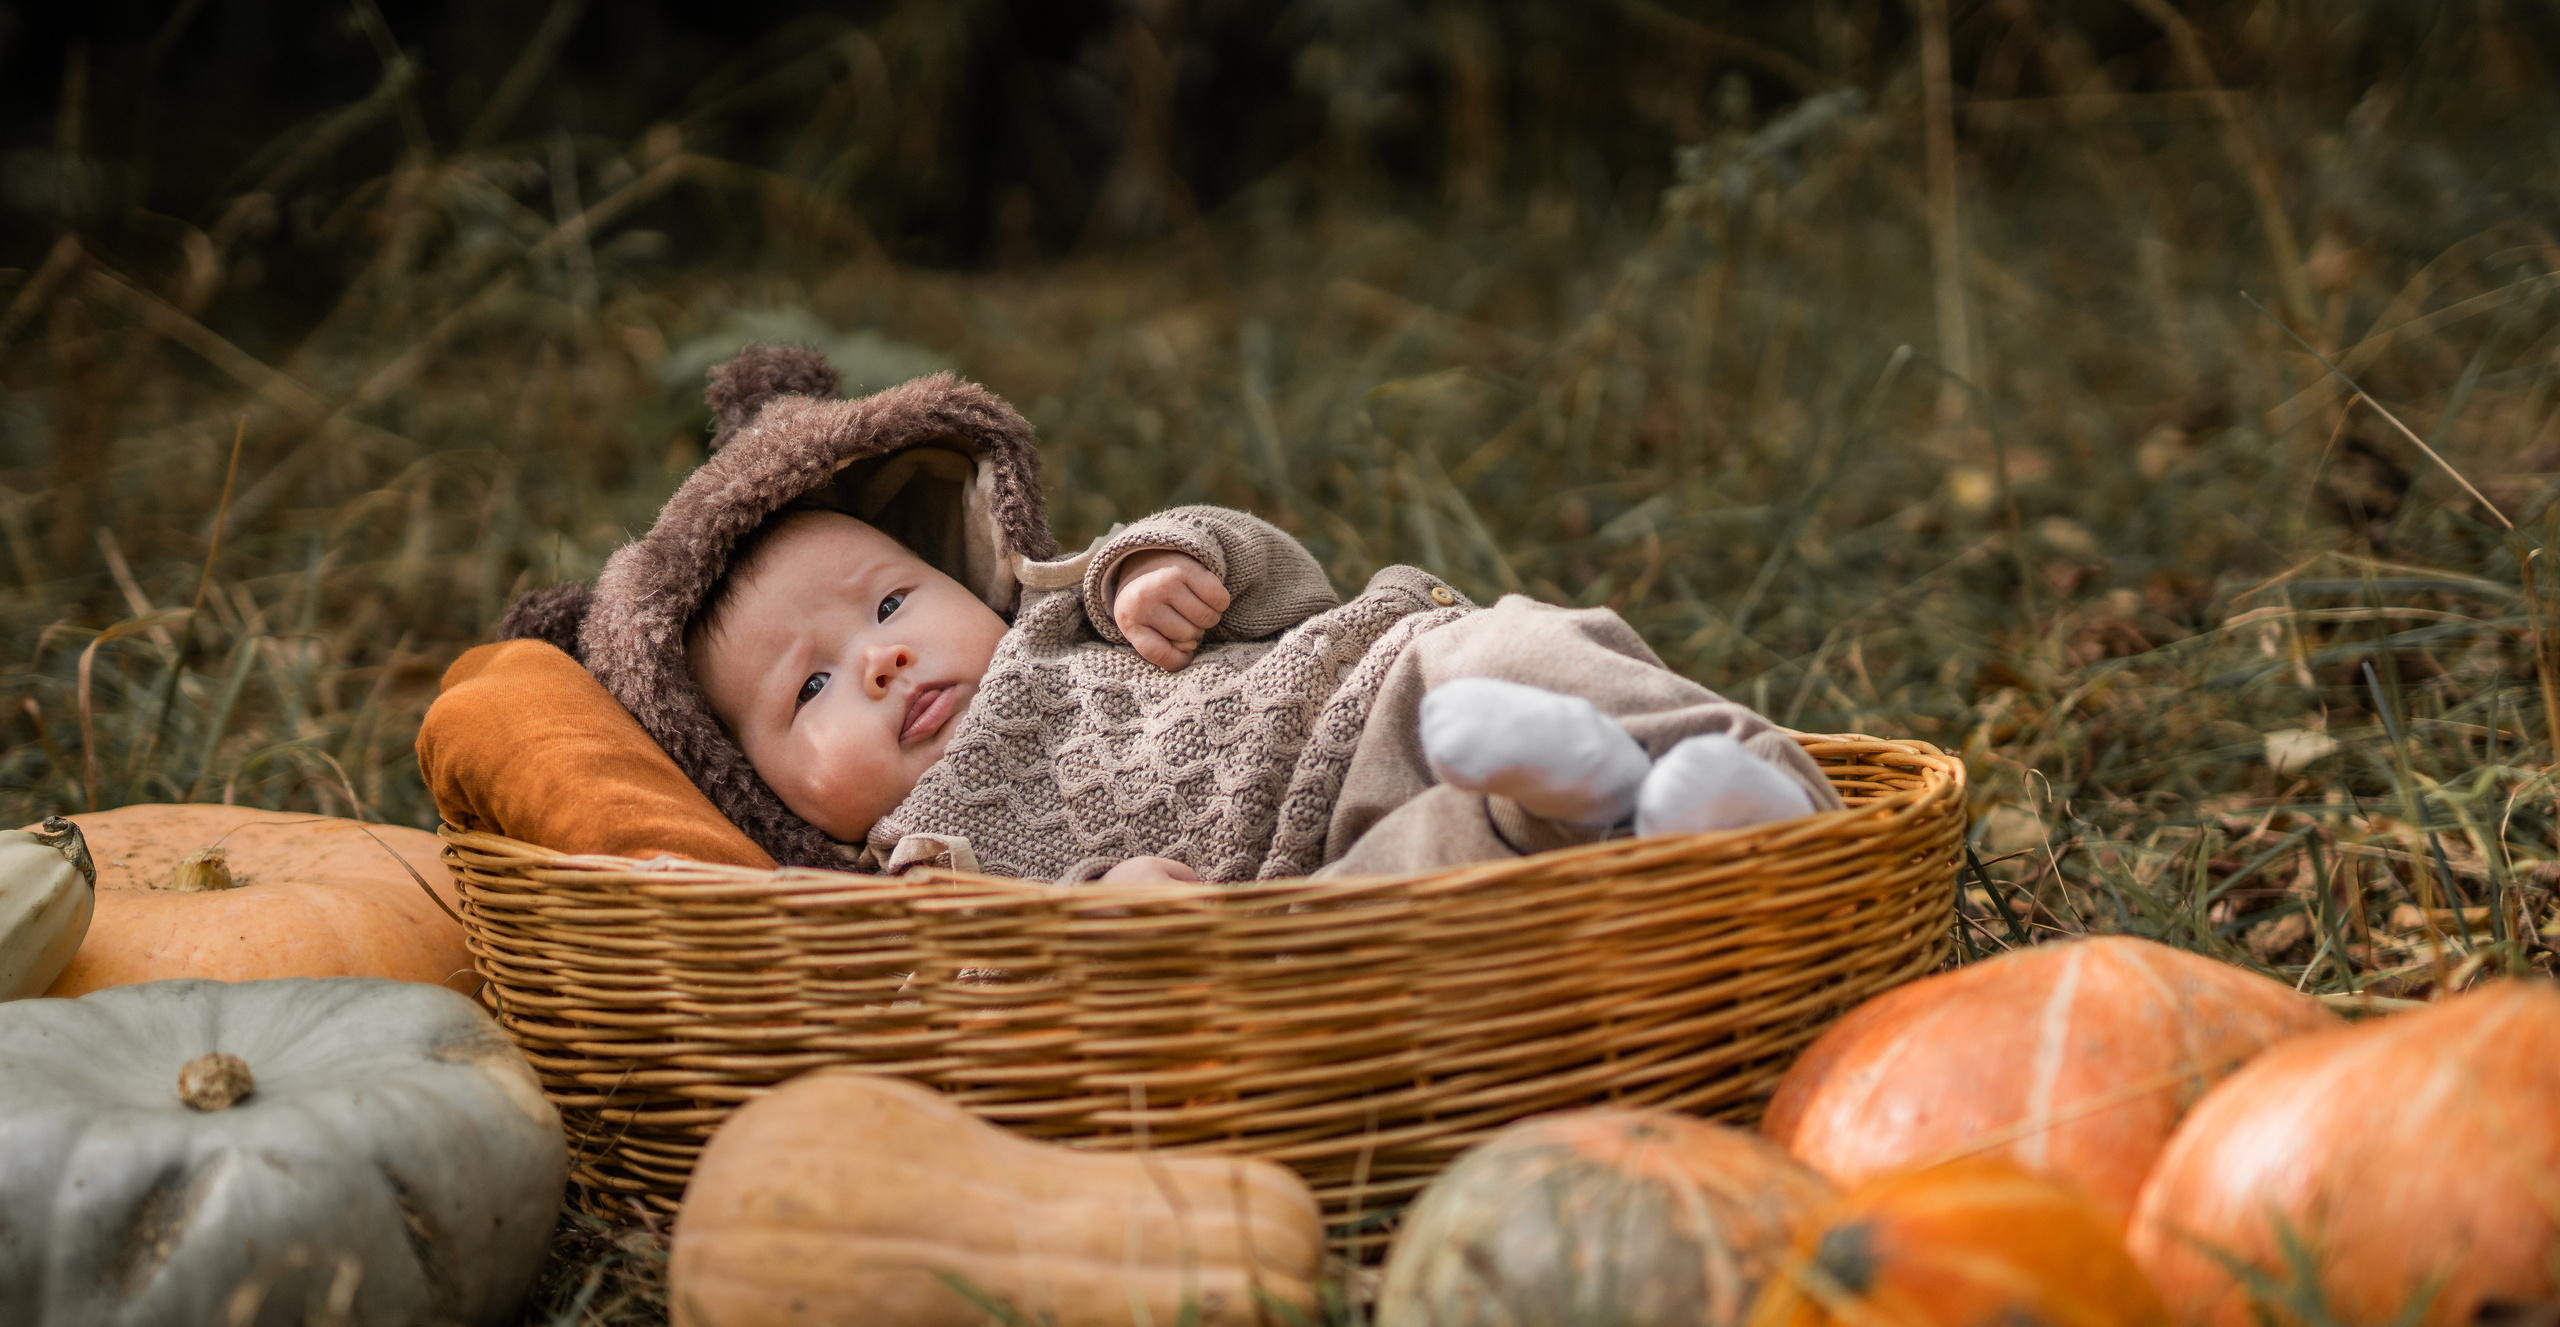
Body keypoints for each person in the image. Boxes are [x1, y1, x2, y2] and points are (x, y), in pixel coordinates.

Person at [499, 345, 1839, 883]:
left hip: (1375, 696)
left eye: (892, 601)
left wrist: (1160, 564)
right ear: (767, 794)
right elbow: (1018, 988)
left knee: (1516, 647)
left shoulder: (1067, 615)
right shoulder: (924, 863)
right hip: (1301, 881)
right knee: (1420, 894)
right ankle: (1611, 816)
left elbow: (1279, 580)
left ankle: (1751, 792)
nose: (884, 655)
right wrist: (1111, 906)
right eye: (810, 691)